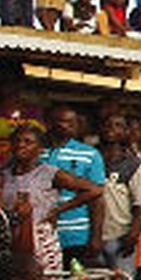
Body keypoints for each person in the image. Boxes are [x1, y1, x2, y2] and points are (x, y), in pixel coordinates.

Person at [3, 125, 102, 277]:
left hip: (40, 240)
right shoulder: (3, 174)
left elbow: (94, 190)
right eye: (17, 141)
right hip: (10, 239)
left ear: (40, 148)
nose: (21, 145)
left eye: (28, 142)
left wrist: (58, 210)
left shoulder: (49, 173)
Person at [42, 104, 107, 269]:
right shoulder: (36, 151)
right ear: (50, 123)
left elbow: (97, 197)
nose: (71, 126)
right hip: (41, 234)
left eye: (74, 123)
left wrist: (96, 237)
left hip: (77, 233)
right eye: (65, 122)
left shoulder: (89, 154)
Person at [97, 113, 141, 279]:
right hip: (92, 237)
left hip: (120, 237)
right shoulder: (91, 159)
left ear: (126, 131)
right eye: (107, 124)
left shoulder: (133, 164)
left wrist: (132, 236)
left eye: (117, 125)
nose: (111, 129)